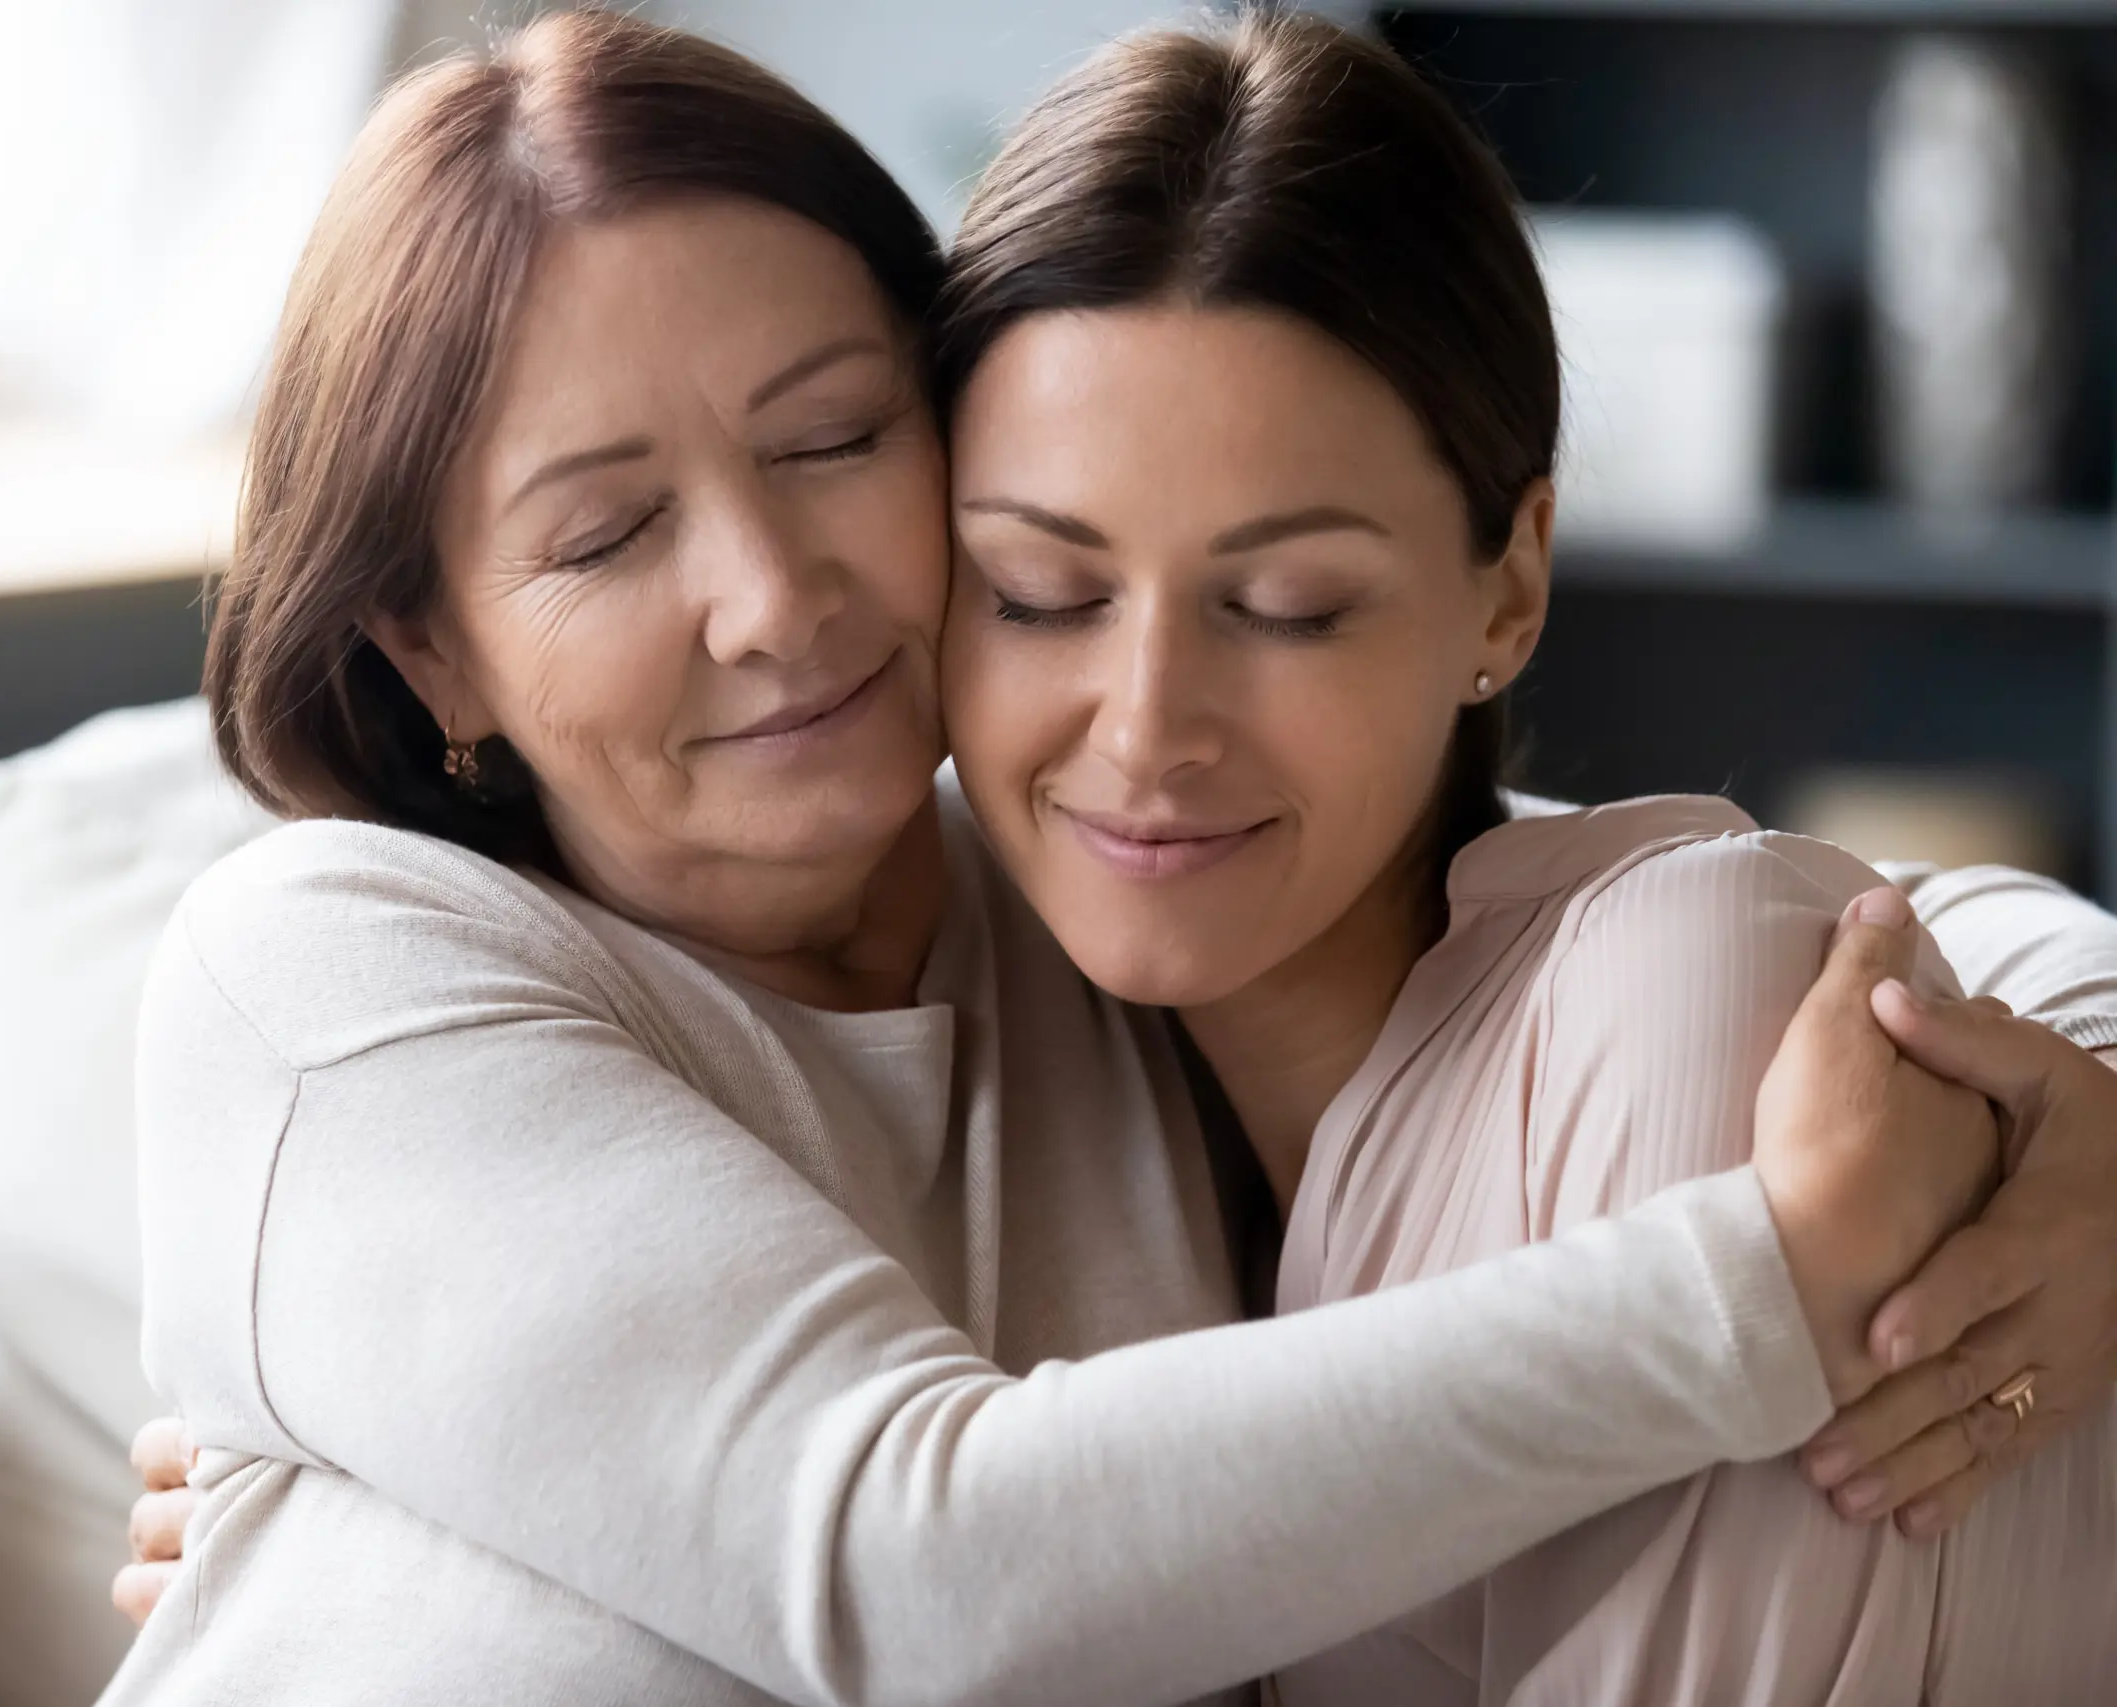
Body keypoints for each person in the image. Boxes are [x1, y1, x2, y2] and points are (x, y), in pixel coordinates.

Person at [101, 11, 2117, 1705]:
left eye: (826, 443)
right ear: (426, 641)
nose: (773, 596)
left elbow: (1710, 905)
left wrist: (2090, 1096)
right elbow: (913, 1559)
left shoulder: (1079, 898)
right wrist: (1759, 1280)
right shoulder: (337, 965)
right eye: (605, 535)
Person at [923, 15, 2115, 1700]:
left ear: (1510, 584)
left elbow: (1889, 916)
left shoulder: (1681, 1002)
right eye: (1042, 593)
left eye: (1287, 607)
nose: (1144, 725)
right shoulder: (1003, 1027)